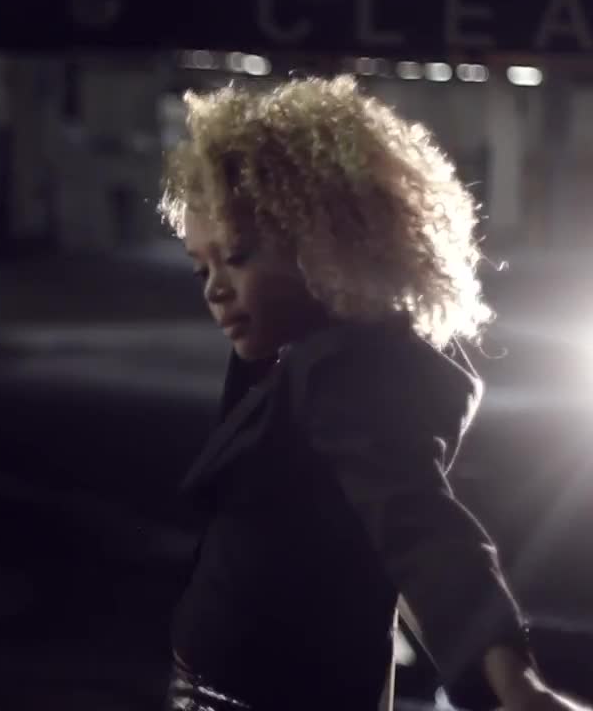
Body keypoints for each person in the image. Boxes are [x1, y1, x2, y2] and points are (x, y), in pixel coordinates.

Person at [157, 76, 589, 711]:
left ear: (325, 243)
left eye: (239, 256)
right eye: (203, 266)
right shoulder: (297, 353)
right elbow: (387, 543)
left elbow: (423, 531)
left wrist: (516, 686)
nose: (214, 289)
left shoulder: (348, 372)